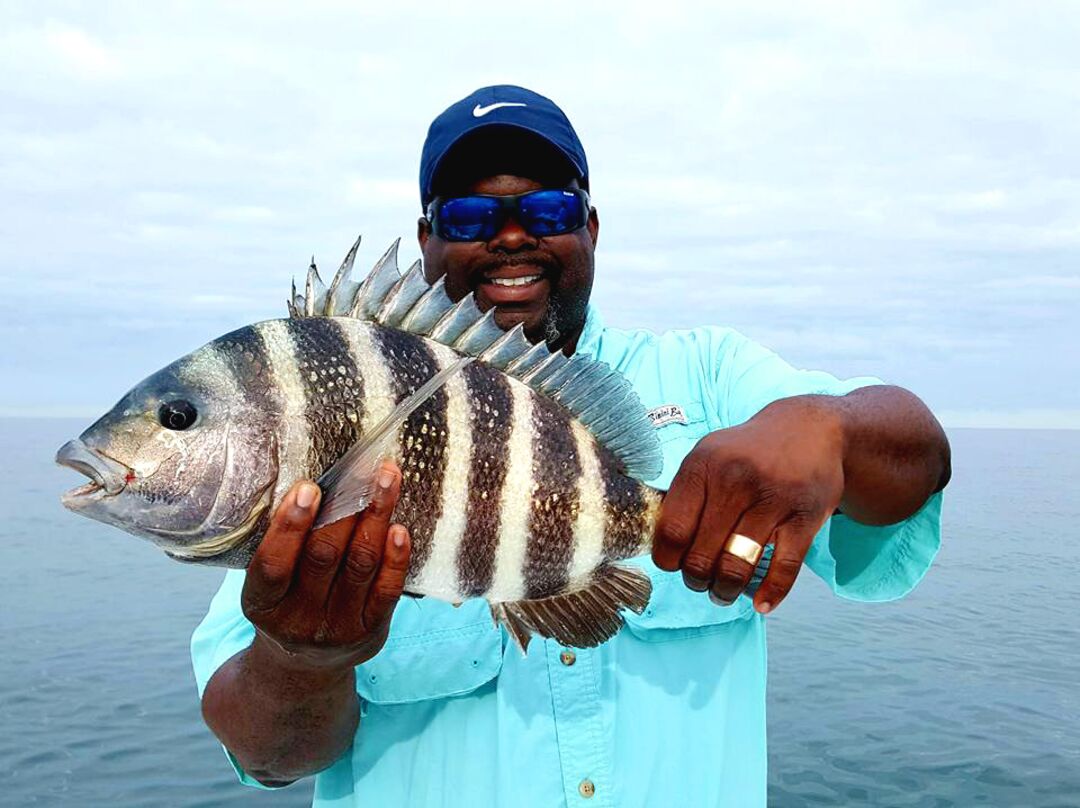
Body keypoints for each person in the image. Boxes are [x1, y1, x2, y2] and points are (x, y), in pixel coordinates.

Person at [193, 85, 950, 807]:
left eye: (548, 208)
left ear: (590, 226)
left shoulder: (709, 376)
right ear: (427, 239)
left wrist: (830, 424)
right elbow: (268, 754)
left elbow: (915, 457)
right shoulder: (333, 417)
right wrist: (301, 660)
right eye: (468, 216)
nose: (512, 236)